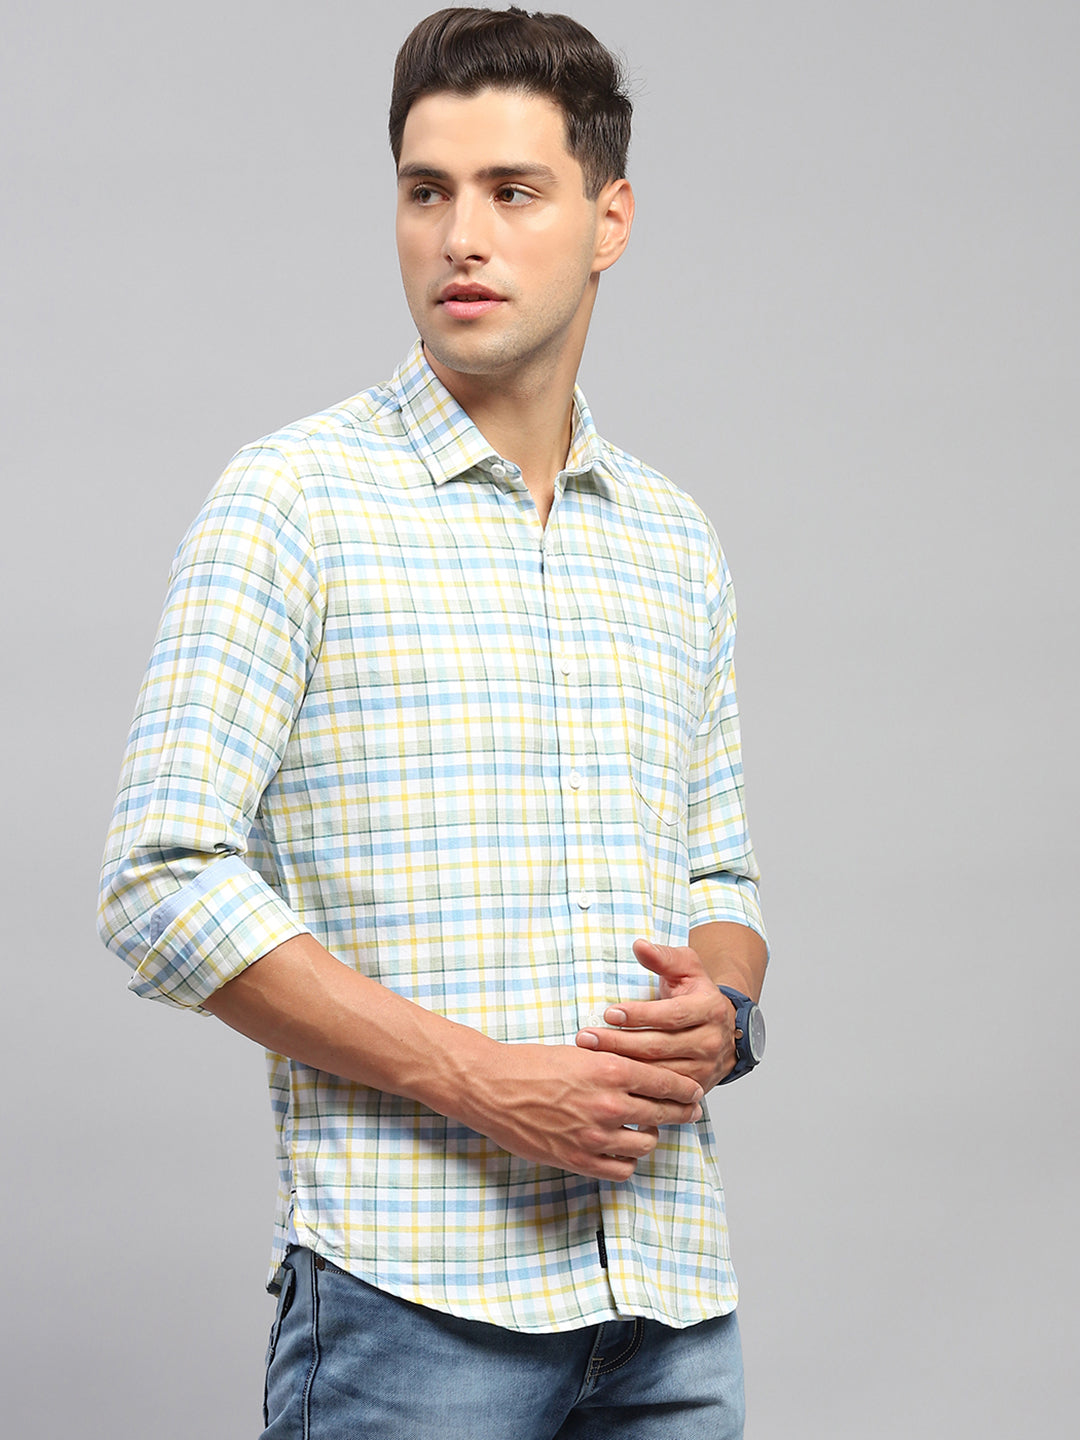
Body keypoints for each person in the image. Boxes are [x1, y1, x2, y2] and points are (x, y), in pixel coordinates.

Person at [98, 7, 768, 1436]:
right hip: (411, 1311)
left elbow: (720, 878)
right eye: (426, 191)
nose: (460, 237)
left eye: (513, 191)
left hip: (670, 1309)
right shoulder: (293, 502)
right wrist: (484, 1082)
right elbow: (160, 881)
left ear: (609, 219)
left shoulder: (674, 540)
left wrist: (723, 1009)